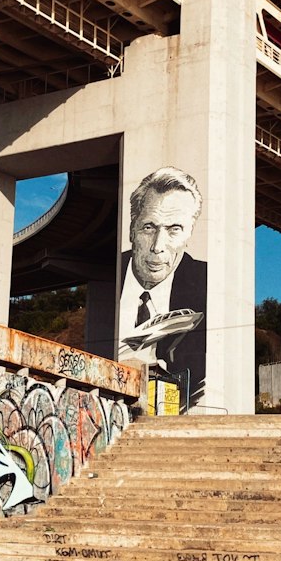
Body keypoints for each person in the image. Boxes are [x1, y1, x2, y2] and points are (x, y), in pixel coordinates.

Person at [117, 167, 207, 404]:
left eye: (174, 230)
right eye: (149, 227)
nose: (158, 246)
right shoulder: (104, 275)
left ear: (189, 235)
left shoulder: (208, 286)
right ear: (132, 230)